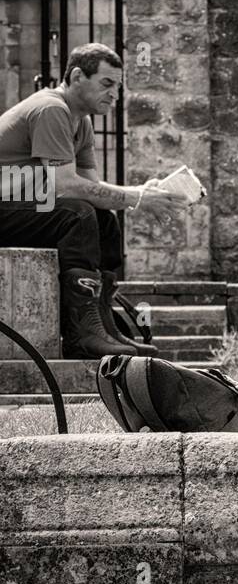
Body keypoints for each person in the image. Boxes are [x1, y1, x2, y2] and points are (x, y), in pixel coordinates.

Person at [0, 43, 185, 358]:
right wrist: (137, 197)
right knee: (77, 214)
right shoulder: (51, 109)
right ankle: (81, 336)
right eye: (107, 83)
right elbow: (66, 187)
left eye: (118, 87)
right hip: (5, 209)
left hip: (26, 207)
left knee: (104, 219)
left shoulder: (80, 121)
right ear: (76, 77)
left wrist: (143, 190)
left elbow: (90, 186)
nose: (115, 94)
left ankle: (101, 327)